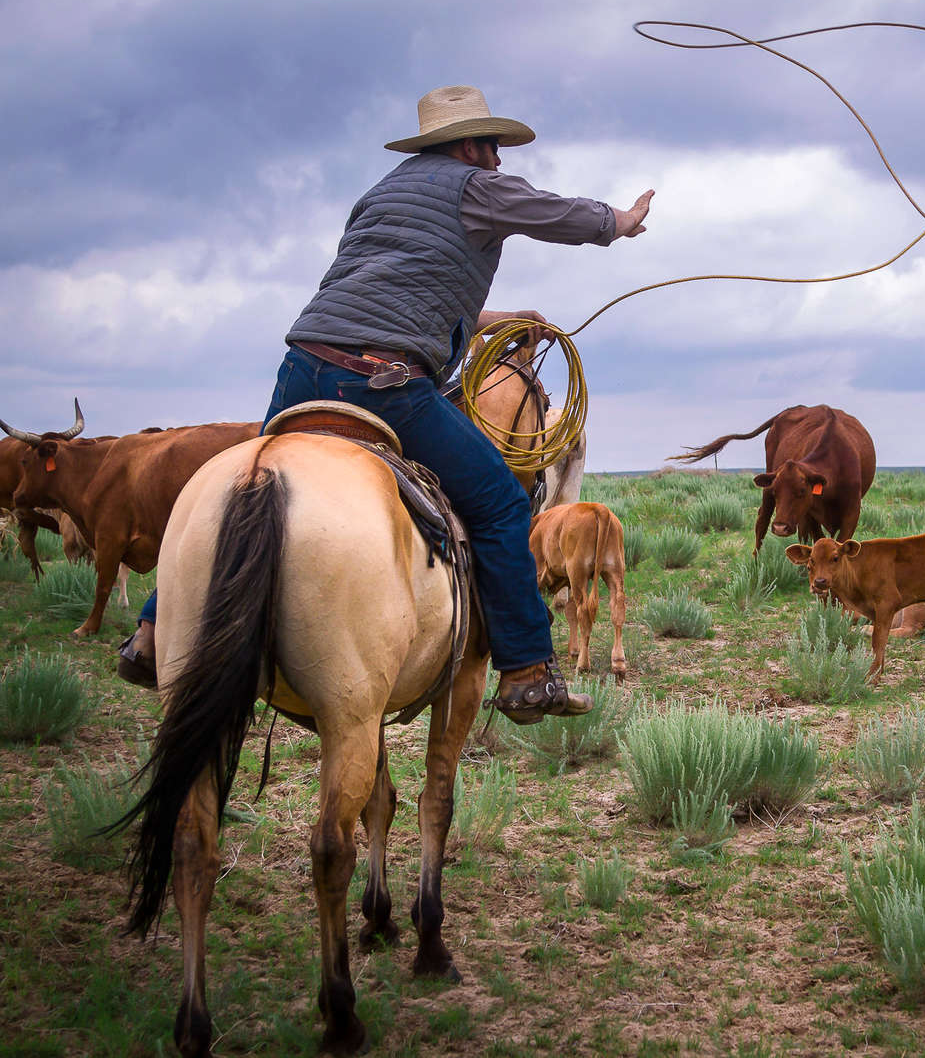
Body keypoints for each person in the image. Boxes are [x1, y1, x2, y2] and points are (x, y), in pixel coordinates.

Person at [118, 85, 654, 724]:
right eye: (493, 147)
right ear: (468, 144)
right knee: (500, 502)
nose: (500, 162)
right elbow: (550, 211)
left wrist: (489, 319)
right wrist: (617, 222)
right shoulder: (474, 187)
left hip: (302, 371)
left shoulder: (378, 194)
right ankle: (528, 671)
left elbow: (388, 285)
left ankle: (154, 632)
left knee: (240, 491)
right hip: (385, 382)